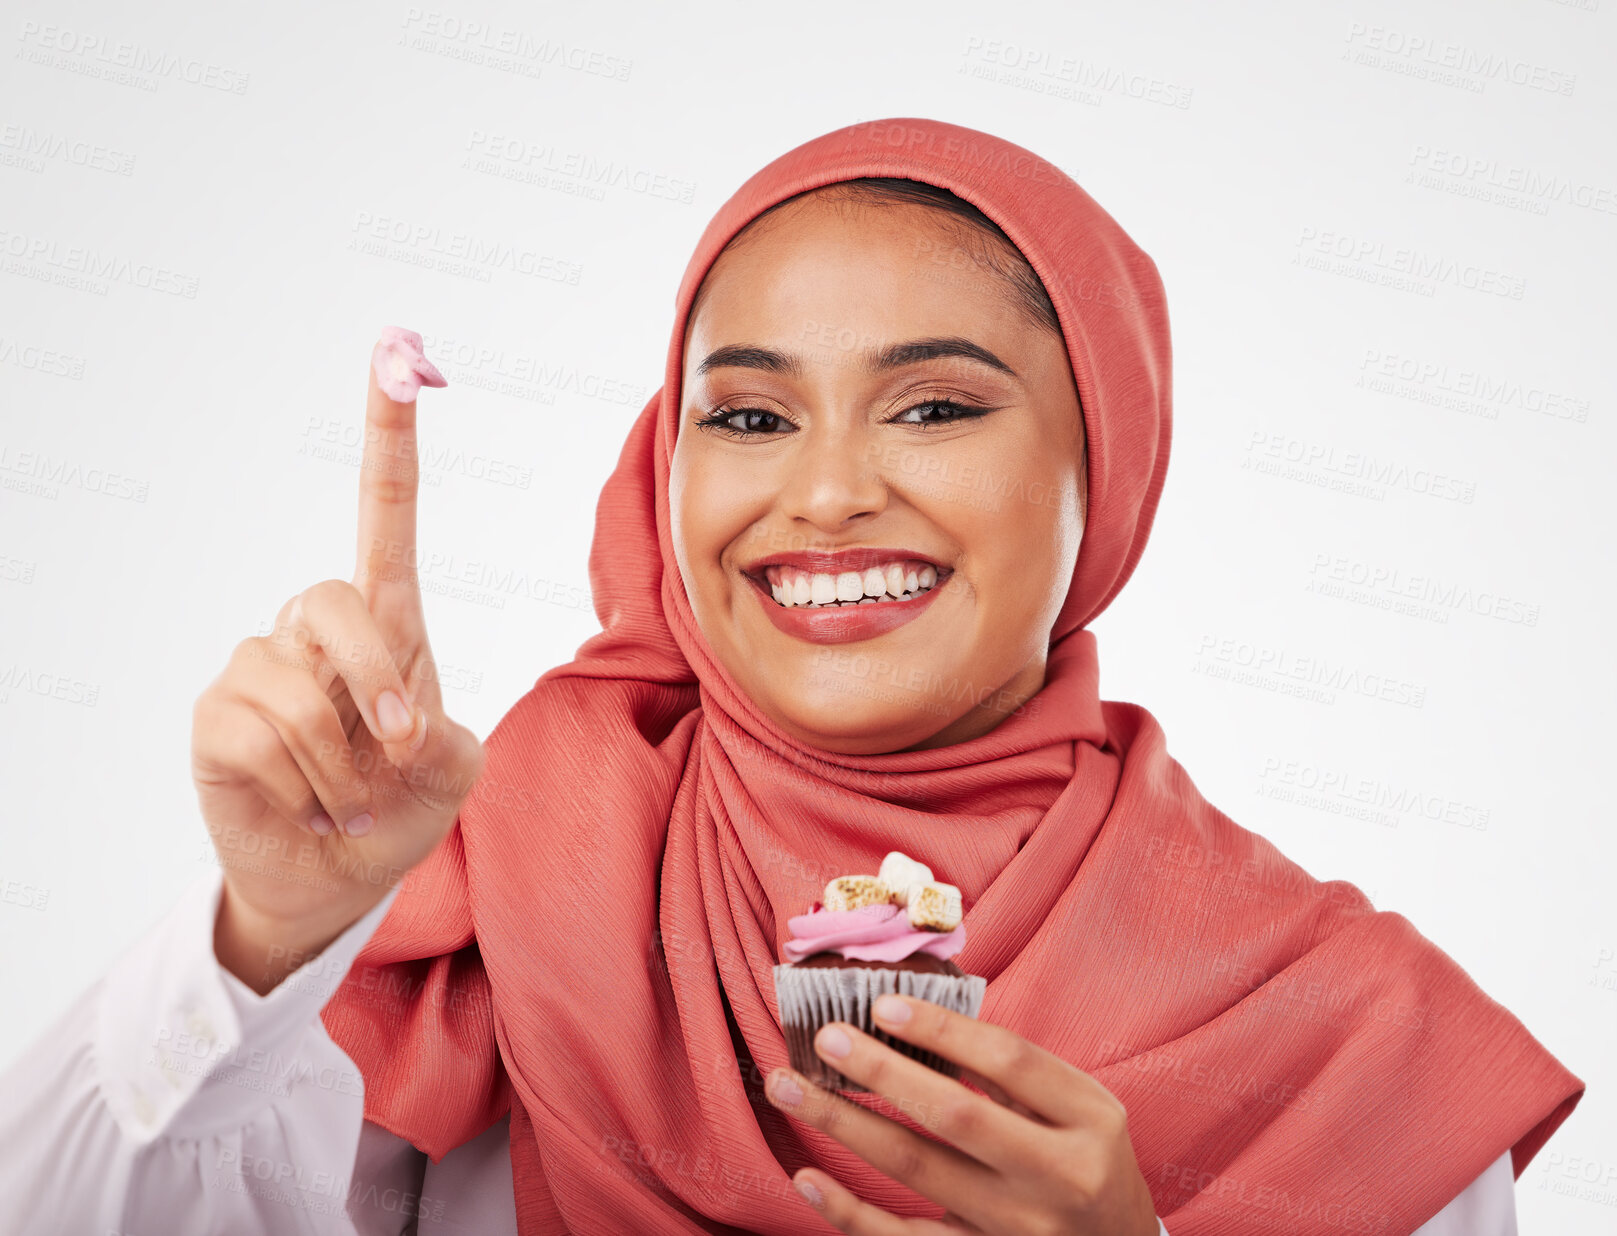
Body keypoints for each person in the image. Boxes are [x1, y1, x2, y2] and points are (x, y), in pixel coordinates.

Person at [0, 117, 1583, 1235]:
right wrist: (272, 930)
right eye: (749, 418)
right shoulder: (497, 879)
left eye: (935, 409)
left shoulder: (1326, 1024)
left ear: (1110, 468)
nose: (823, 495)